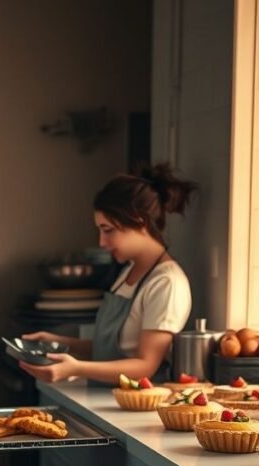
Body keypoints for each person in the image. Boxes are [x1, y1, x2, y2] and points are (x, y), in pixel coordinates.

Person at [20, 164, 197, 386]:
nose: (102, 243)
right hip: (105, 398)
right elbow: (112, 351)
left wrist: (76, 368)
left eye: (108, 230)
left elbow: (146, 365)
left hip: (136, 406)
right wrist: (59, 343)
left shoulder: (167, 282)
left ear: (139, 221)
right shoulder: (127, 272)